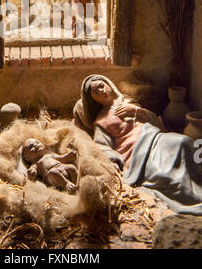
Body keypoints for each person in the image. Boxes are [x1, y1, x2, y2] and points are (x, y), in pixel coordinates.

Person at [73, 74, 202, 214]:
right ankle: (186, 192)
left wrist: (136, 111)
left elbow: (155, 121)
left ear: (108, 84)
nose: (102, 92)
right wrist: (114, 162)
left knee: (183, 141)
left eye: (101, 86)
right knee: (162, 170)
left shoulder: (128, 101)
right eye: (96, 93)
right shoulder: (100, 121)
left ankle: (196, 183)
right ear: (93, 99)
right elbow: (102, 146)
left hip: (153, 136)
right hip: (136, 151)